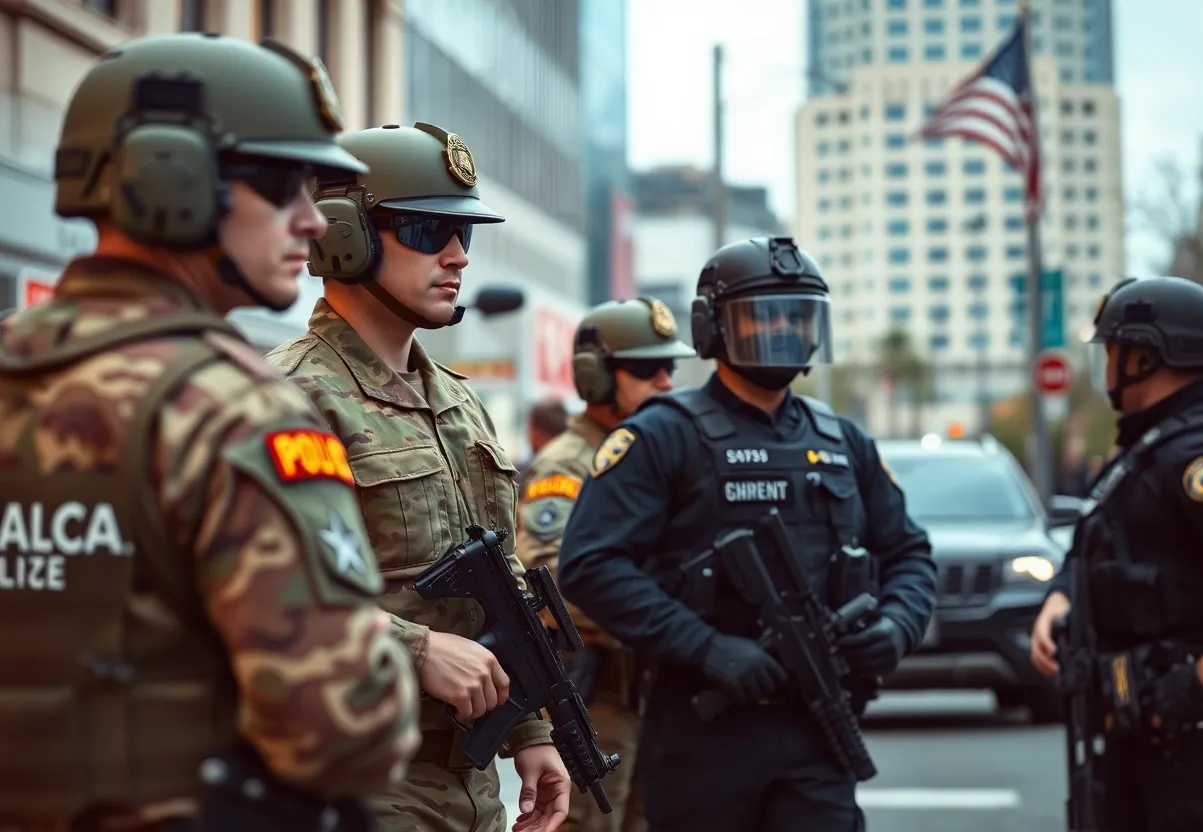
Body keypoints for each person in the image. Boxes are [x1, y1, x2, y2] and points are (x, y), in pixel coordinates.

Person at [0, 34, 420, 832]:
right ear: (173, 177)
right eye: (284, 185)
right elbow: (348, 725)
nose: (310, 220)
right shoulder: (232, 408)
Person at [557, 236, 937, 831]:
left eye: (798, 314)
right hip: (703, 731)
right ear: (714, 328)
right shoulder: (662, 435)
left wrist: (896, 628)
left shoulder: (842, 441)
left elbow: (910, 554)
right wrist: (706, 647)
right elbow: (590, 564)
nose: (784, 328)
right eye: (765, 314)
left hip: (819, 728)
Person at [266, 123, 570, 832]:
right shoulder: (285, 397)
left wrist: (532, 733)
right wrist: (416, 648)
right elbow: (255, 590)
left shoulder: (462, 403)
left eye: (466, 232)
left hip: (467, 782)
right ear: (346, 235)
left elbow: (506, 585)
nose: (459, 256)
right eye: (430, 229)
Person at [1030, 276, 1203, 832]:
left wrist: (1198, 686)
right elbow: (1100, 545)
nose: (1106, 365)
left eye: (1111, 350)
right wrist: (1060, 599)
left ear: (1142, 357)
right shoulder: (1146, 449)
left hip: (1194, 748)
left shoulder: (1197, 458)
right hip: (1141, 735)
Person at [516, 297, 698, 832]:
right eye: (645, 369)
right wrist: (659, 612)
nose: (664, 381)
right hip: (596, 695)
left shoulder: (653, 458)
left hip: (654, 688)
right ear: (596, 378)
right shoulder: (567, 464)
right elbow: (547, 578)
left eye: (669, 368)